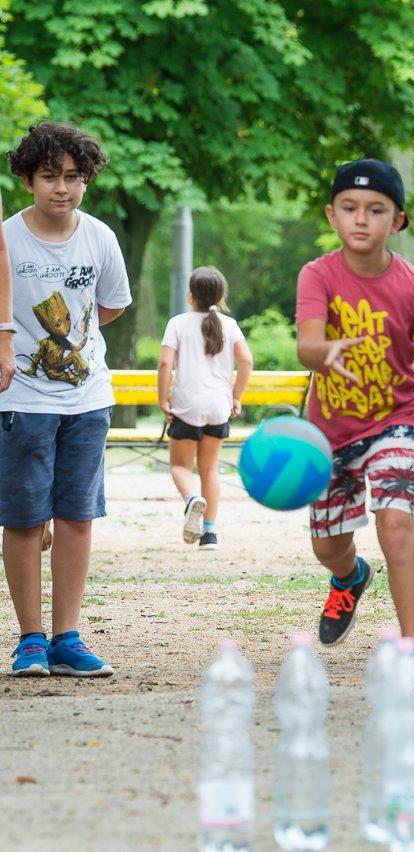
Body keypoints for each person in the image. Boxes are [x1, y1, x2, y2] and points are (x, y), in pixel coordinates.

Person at [295, 158, 414, 686]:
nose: (361, 219)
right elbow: (305, 344)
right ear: (332, 215)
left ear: (398, 220)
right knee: (327, 544)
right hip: (330, 430)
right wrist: (324, 351)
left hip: (399, 418)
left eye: (376, 210)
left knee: (396, 522)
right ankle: (350, 576)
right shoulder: (318, 274)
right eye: (349, 208)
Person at [1, 121, 131, 677]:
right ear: (28, 179)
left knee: (77, 517)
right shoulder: (7, 237)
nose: (62, 188)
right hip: (23, 399)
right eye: (50, 176)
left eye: (73, 177)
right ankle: (30, 638)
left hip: (87, 398)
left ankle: (66, 637)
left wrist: (73, 343)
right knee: (26, 518)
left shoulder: (99, 236)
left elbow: (111, 305)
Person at [157, 266, 253, 550]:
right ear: (221, 296)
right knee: (209, 469)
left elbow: (165, 364)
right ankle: (209, 533)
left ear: (190, 296)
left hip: (187, 404)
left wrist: (163, 399)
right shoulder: (230, 325)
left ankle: (191, 500)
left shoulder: (178, 323)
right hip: (218, 406)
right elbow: (246, 361)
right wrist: (236, 397)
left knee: (179, 466)